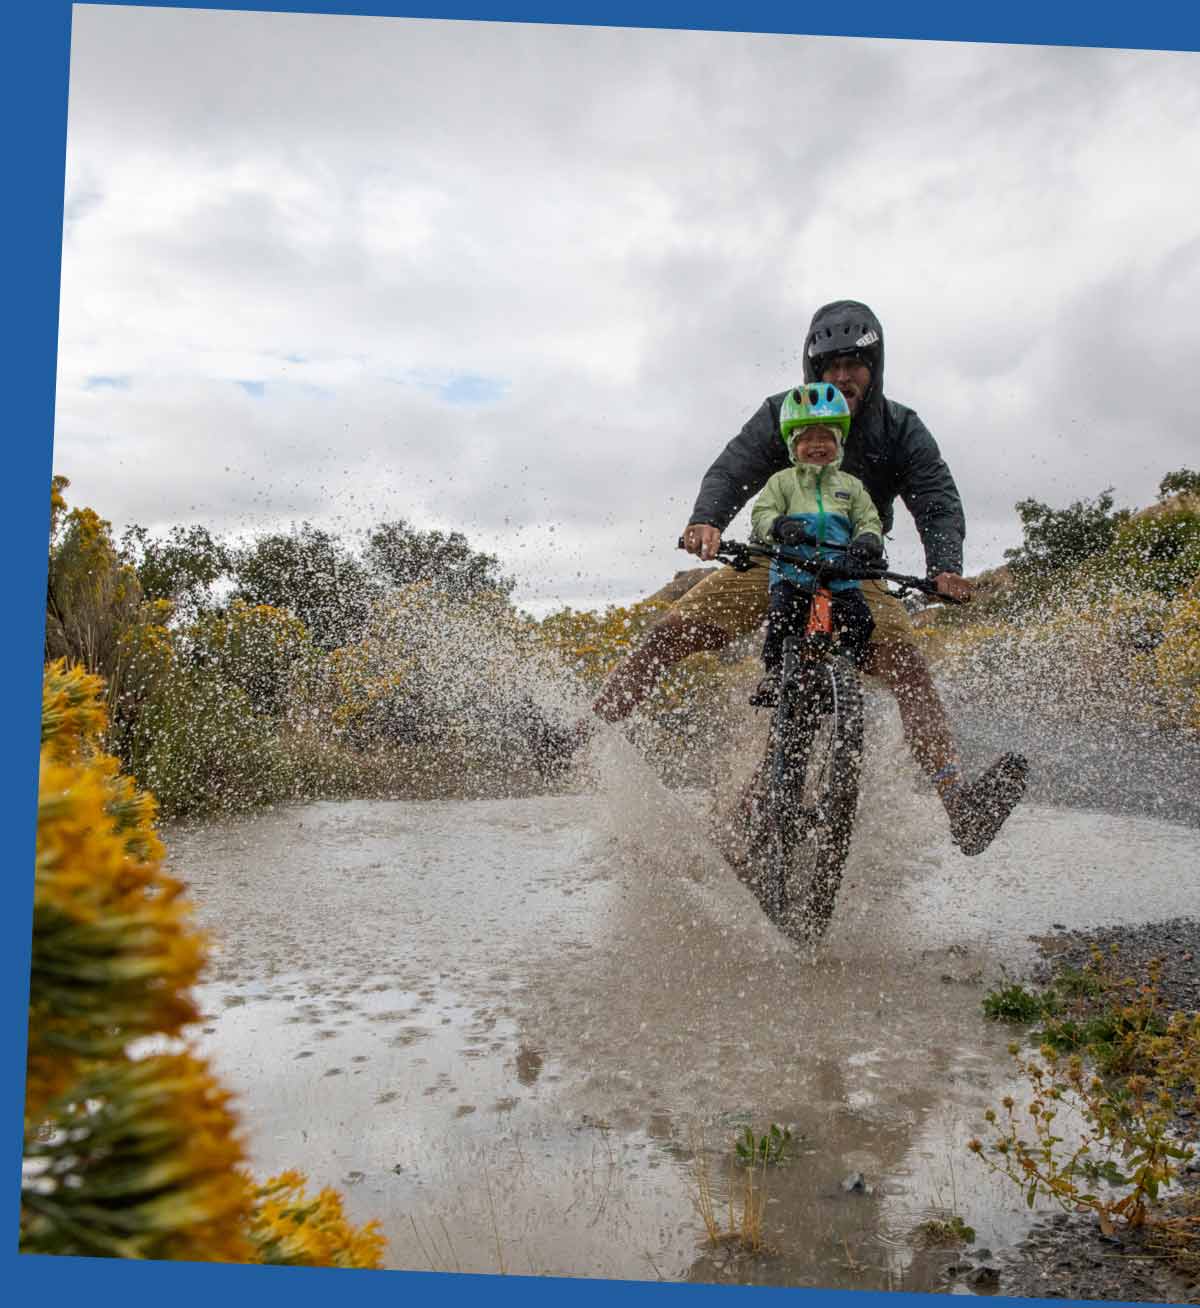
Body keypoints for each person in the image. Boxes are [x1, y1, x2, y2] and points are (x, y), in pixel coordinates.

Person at [546, 299, 1026, 856]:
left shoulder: (901, 428)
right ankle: (577, 740)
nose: (843, 376)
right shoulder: (782, 411)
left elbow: (937, 499)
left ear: (877, 366)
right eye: (831, 365)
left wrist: (947, 566)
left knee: (910, 670)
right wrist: (707, 518)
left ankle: (958, 804)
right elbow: (735, 466)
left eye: (855, 364)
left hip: (855, 569)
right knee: (669, 633)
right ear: (812, 368)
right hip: (777, 562)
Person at [750, 381, 882, 701]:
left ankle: (844, 670)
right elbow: (761, 513)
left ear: (839, 442)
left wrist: (867, 540)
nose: (817, 445)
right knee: (783, 619)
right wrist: (779, 525)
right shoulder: (782, 482)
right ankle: (774, 673)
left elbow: (868, 519)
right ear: (793, 446)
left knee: (860, 620)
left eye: (825, 437)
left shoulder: (851, 486)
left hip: (841, 574)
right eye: (807, 439)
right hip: (794, 573)